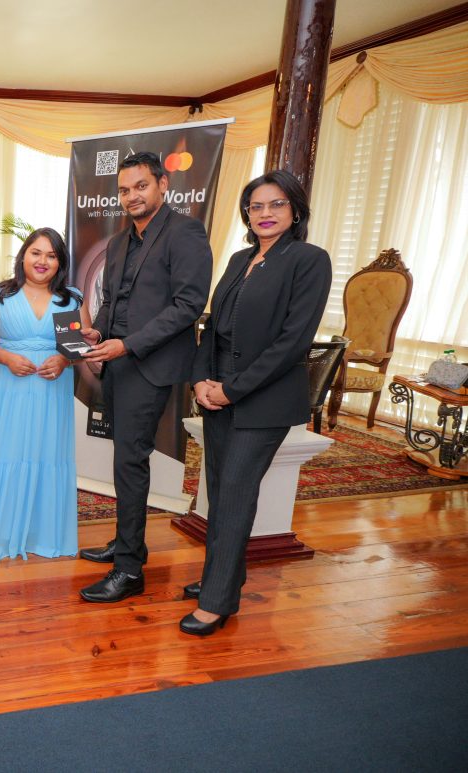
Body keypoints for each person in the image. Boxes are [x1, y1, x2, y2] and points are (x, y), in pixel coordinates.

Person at [180, 170, 331, 636]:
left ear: (296, 210)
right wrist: (202, 380)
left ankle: (218, 600)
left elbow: (292, 342)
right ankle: (222, 575)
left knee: (236, 495)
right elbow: (211, 326)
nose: (265, 214)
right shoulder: (239, 259)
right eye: (256, 206)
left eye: (276, 204)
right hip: (218, 393)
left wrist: (233, 388)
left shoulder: (309, 260)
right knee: (220, 492)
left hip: (262, 400)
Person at [77, 151, 211, 603]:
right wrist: (99, 331)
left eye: (140, 186)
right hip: (117, 362)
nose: (131, 196)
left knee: (130, 462)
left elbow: (188, 305)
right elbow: (114, 301)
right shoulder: (119, 242)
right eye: (124, 189)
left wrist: (128, 344)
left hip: (149, 367)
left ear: (162, 185)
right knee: (124, 460)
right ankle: (127, 542)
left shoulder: (185, 232)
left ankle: (129, 570)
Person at [0, 228, 82, 561]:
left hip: (51, 390)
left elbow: (76, 347)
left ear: (60, 262)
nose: (43, 261)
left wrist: (63, 359)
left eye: (51, 255)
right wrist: (7, 358)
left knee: (46, 454)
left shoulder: (70, 299)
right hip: (8, 386)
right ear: (23, 256)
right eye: (36, 253)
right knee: (6, 452)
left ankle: (38, 533)